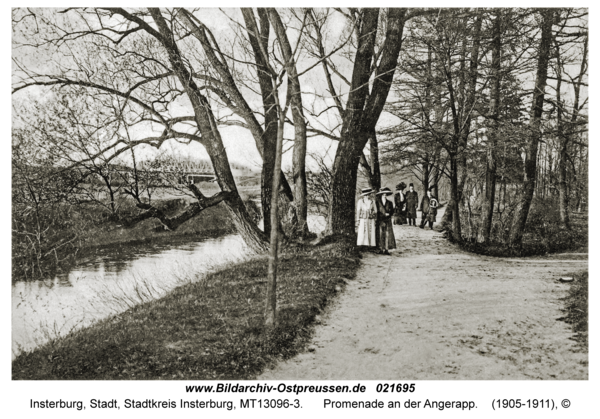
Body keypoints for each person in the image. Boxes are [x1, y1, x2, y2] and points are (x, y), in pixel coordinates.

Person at [376, 187, 396, 255]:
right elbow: (377, 211)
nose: (384, 195)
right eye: (383, 194)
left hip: (387, 220)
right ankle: (381, 249)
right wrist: (382, 214)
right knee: (381, 234)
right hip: (381, 220)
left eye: (385, 194)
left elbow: (392, 211)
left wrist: (389, 214)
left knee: (387, 234)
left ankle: (386, 249)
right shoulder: (378, 202)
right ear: (381, 194)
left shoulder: (389, 203)